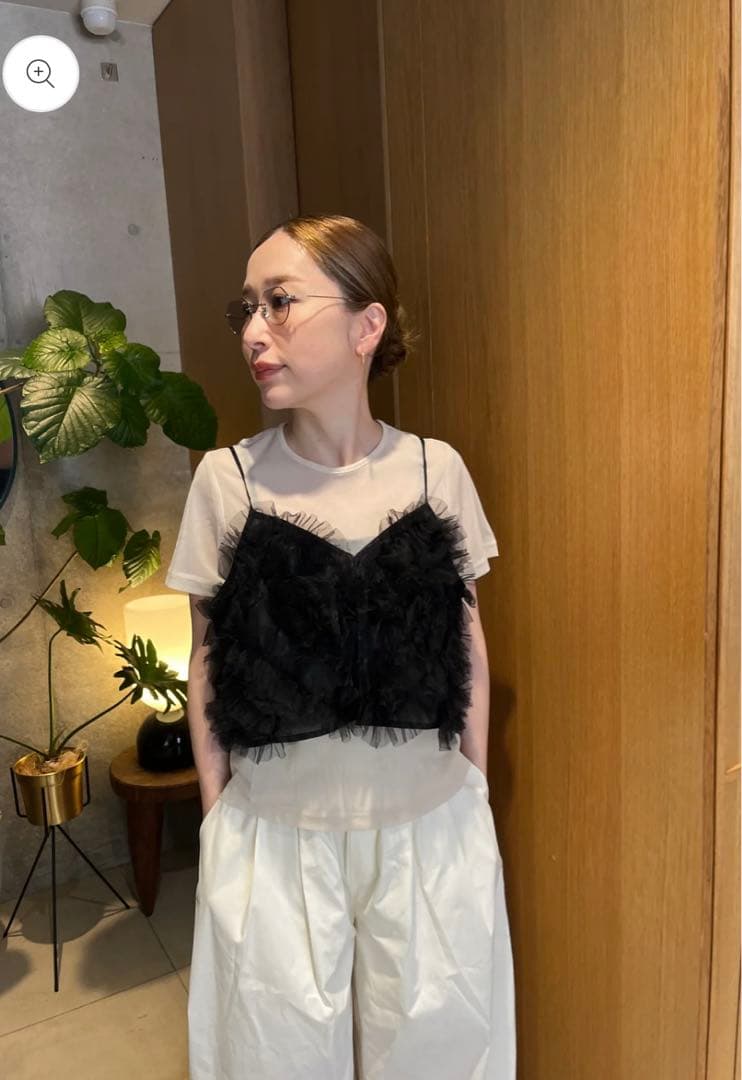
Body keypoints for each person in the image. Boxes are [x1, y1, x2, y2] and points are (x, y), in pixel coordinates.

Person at [165, 214, 516, 1079]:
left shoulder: (437, 470)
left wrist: (471, 789)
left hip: (431, 829)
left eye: (280, 303)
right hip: (275, 834)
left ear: (367, 325)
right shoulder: (227, 482)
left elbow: (466, 636)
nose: (254, 332)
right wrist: (218, 818)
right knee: (272, 1055)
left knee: (444, 1053)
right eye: (246, 309)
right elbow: (206, 661)